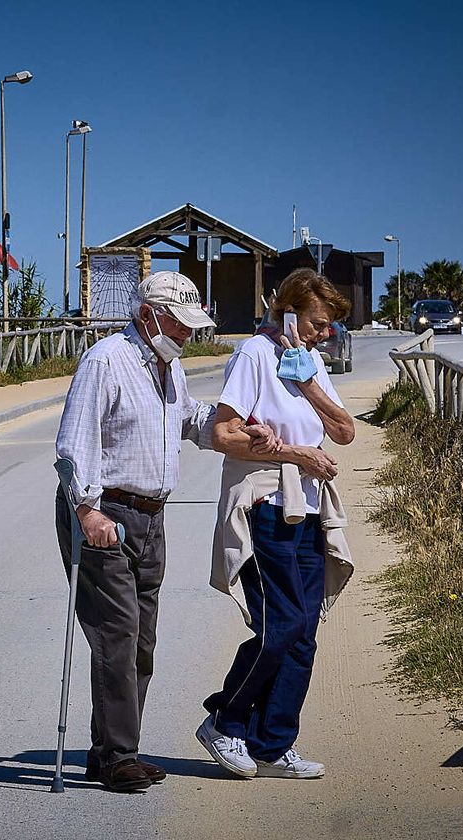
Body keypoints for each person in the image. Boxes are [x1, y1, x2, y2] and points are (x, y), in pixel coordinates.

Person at [55, 271, 279, 793]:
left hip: (151, 518)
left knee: (142, 641)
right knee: (119, 634)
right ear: (149, 314)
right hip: (104, 513)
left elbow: (192, 420)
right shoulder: (106, 360)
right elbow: (74, 444)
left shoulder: (169, 369)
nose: (184, 335)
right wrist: (87, 512)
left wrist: (240, 426)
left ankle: (110, 750)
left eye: (189, 327)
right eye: (178, 325)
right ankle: (117, 756)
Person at [195, 267, 357, 780]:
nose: (323, 332)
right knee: (278, 625)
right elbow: (223, 434)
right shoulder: (253, 356)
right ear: (287, 311)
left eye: (328, 325)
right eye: (316, 322)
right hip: (264, 504)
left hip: (307, 508)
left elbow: (345, 431)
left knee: (304, 631)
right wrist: (293, 453)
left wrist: (307, 381)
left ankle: (273, 743)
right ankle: (227, 721)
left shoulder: (306, 361)